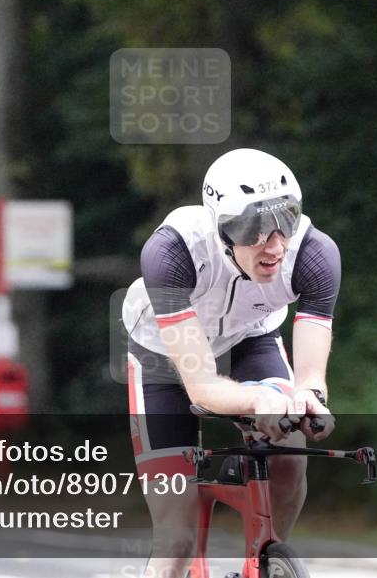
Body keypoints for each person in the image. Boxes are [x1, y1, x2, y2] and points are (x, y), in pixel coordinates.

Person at [121, 148, 340, 578]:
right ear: (222, 228)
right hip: (163, 356)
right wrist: (259, 401)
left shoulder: (315, 254)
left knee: (291, 451)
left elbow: (311, 379)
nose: (275, 245)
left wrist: (309, 401)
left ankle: (266, 561)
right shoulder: (172, 253)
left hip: (250, 339)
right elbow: (201, 386)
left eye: (286, 222)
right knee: (176, 540)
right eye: (255, 230)